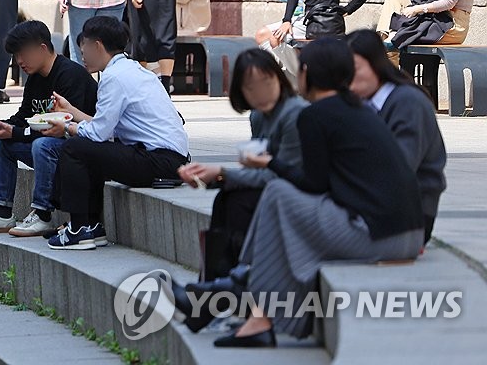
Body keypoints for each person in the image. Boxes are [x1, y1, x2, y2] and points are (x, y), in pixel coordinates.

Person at [206, 38, 423, 348]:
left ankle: (250, 298)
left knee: (278, 193)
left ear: (306, 72)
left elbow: (313, 184)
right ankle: (247, 295)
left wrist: (270, 162)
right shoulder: (358, 109)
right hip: (408, 235)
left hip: (378, 236)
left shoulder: (315, 115)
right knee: (278, 197)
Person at [172, 49, 306, 331]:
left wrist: (222, 173)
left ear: (279, 79)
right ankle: (211, 295)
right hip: (274, 190)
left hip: (297, 195)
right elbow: (258, 171)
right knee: (226, 199)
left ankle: (212, 300)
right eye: (250, 87)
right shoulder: (258, 117)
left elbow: (283, 174)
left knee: (236, 203)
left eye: (265, 82)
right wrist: (208, 177)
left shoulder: (294, 114)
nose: (260, 92)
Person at [47, 16, 190, 251]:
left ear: (97, 46)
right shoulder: (131, 69)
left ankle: (79, 228)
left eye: (83, 46)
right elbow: (105, 127)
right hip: (168, 159)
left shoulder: (113, 78)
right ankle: (91, 226)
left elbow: (98, 135)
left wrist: (66, 127)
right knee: (86, 149)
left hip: (159, 160)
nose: (82, 53)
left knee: (74, 148)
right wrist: (71, 112)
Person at [0, 20, 98, 237]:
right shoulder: (35, 78)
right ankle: (2, 213)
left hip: (79, 150)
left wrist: (16, 132)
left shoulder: (70, 75)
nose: (19, 61)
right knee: (4, 144)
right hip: (55, 147)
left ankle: (43, 215)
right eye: (16, 56)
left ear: (42, 48)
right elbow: (25, 117)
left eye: (22, 54)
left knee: (43, 145)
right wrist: (3, 126)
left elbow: (64, 129)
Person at [347, 29, 446, 244]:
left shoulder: (407, 102)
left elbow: (400, 167)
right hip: (372, 205)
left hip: (408, 218)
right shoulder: (364, 103)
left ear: (375, 65)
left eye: (354, 69)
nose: (348, 78)